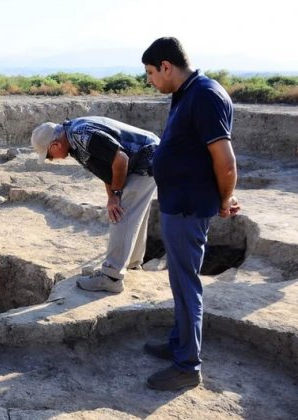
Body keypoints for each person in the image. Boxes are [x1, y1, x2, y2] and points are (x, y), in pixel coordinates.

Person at [141, 37, 240, 391]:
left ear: (167, 66)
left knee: (186, 286)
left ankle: (187, 366)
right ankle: (179, 343)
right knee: (180, 283)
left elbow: (225, 162)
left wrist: (224, 199)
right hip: (178, 205)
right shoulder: (187, 94)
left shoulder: (205, 95)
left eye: (151, 73)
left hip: (187, 209)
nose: (151, 80)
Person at [31, 116, 160, 293]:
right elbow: (107, 169)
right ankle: (131, 264)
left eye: (49, 156)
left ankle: (112, 277)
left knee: (121, 213)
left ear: (55, 145)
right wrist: (111, 198)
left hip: (147, 158)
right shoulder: (73, 140)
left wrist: (116, 195)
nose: (51, 159)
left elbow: (120, 159)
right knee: (129, 211)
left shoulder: (82, 135)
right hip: (147, 157)